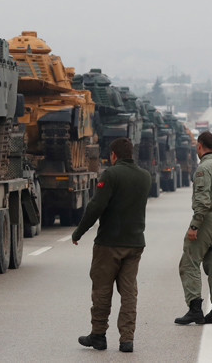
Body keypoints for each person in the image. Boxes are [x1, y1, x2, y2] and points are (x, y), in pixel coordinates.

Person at [73, 137, 152, 353]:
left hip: (109, 243)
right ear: (131, 154)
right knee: (128, 293)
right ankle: (127, 340)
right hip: (135, 244)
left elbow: (96, 206)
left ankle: (98, 335)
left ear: (114, 155)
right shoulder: (145, 177)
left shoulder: (111, 175)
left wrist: (79, 231)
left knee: (102, 290)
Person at [174, 131, 212, 325]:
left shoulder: (203, 169)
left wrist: (194, 226)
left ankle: (195, 308)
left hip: (207, 220)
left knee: (189, 262)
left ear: (199, 146)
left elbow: (202, 201)